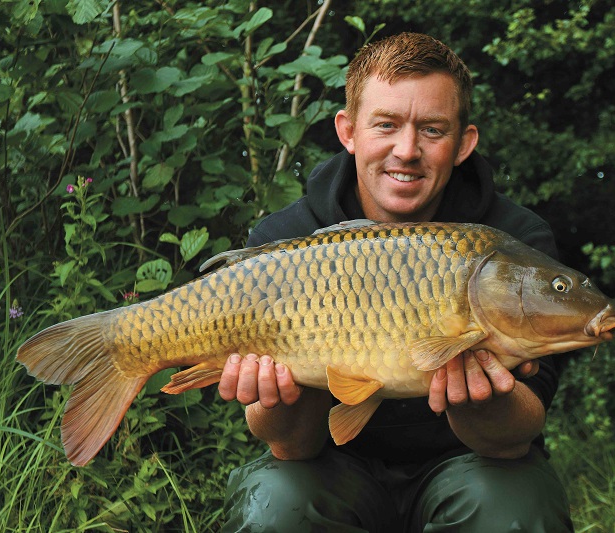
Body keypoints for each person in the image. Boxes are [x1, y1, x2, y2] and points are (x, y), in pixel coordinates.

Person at [218, 32, 574, 532]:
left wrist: (485, 397)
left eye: (432, 129)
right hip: (331, 470)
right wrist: (280, 396)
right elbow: (290, 446)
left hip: (470, 467)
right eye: (385, 125)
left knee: (514, 502)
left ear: (464, 143)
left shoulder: (513, 244)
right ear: (348, 131)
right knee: (277, 499)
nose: (406, 150)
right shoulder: (285, 242)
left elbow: (513, 440)